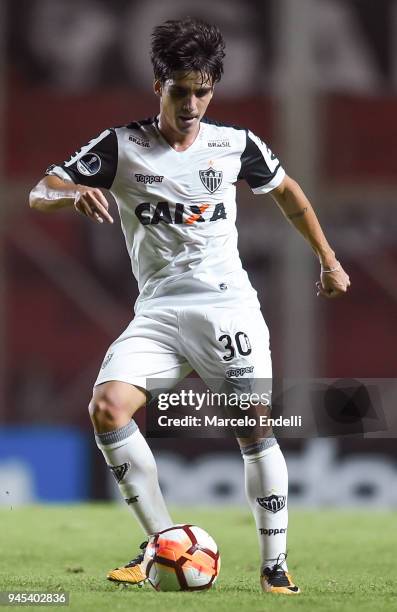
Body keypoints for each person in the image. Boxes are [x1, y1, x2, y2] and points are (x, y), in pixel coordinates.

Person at [29, 17, 350, 595]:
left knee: (253, 431)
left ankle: (274, 565)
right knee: (107, 408)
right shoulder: (121, 146)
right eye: (182, 90)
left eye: (203, 91)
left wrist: (328, 260)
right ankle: (163, 541)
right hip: (156, 314)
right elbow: (40, 189)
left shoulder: (236, 144)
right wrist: (73, 191)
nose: (193, 103)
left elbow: (289, 193)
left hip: (228, 309)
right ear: (159, 85)